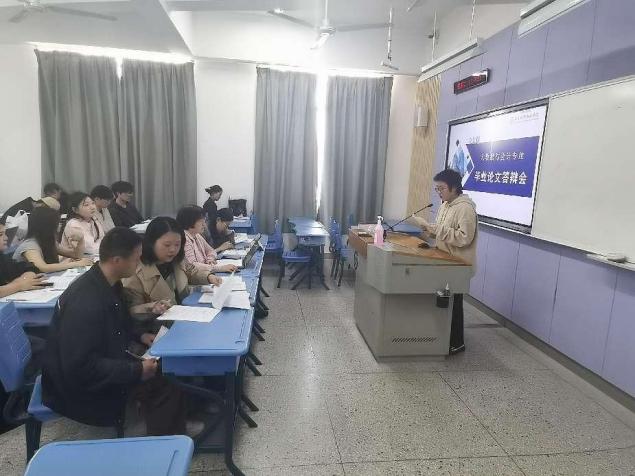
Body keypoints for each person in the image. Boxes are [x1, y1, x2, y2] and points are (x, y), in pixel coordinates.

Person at [42, 227, 188, 435]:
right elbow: (81, 368)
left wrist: (140, 335)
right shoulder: (86, 302)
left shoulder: (107, 283)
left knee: (169, 365)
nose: (139, 263)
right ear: (117, 260)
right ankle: (159, 437)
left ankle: (170, 424)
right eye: (136, 259)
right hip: (76, 388)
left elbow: (121, 323)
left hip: (104, 358)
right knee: (166, 379)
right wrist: (137, 370)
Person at [410, 168, 477, 355]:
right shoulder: (445, 205)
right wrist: (428, 228)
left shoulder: (465, 208)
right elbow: (441, 231)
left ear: (454, 187)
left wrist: (436, 229)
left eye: (441, 188)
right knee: (445, 301)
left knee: (454, 303)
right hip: (444, 259)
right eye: (437, 189)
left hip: (458, 263)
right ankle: (442, 337)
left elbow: (464, 238)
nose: (439, 192)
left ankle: (457, 342)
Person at [123, 217, 222, 334]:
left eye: (177, 244)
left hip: (185, 319)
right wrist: (152, 307)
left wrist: (208, 277)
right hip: (157, 330)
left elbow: (191, 271)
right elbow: (131, 311)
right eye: (167, 245)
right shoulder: (134, 272)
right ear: (151, 243)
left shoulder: (177, 260)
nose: (173, 250)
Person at [13, 207, 93, 273]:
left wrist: (81, 240)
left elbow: (76, 255)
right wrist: (75, 264)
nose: (59, 226)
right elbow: (42, 268)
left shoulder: (48, 241)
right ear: (48, 226)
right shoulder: (30, 245)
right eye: (57, 223)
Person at [176, 205, 238, 274]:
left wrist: (210, 260)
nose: (204, 224)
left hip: (206, 271)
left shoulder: (197, 235)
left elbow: (211, 251)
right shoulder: (184, 239)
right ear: (190, 222)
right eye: (201, 221)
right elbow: (193, 265)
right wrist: (219, 268)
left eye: (204, 221)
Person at [0, 222, 46, 298]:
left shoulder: (2, 258)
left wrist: (25, 279)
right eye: (0, 235)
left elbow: (30, 267)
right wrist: (19, 285)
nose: (6, 238)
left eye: (5, 234)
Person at [61, 192, 105, 257]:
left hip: (92, 256)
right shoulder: (73, 224)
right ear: (75, 210)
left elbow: (102, 238)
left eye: (93, 203)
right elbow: (88, 248)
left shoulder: (94, 220)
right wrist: (106, 248)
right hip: (73, 260)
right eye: (86, 205)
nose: (92, 207)